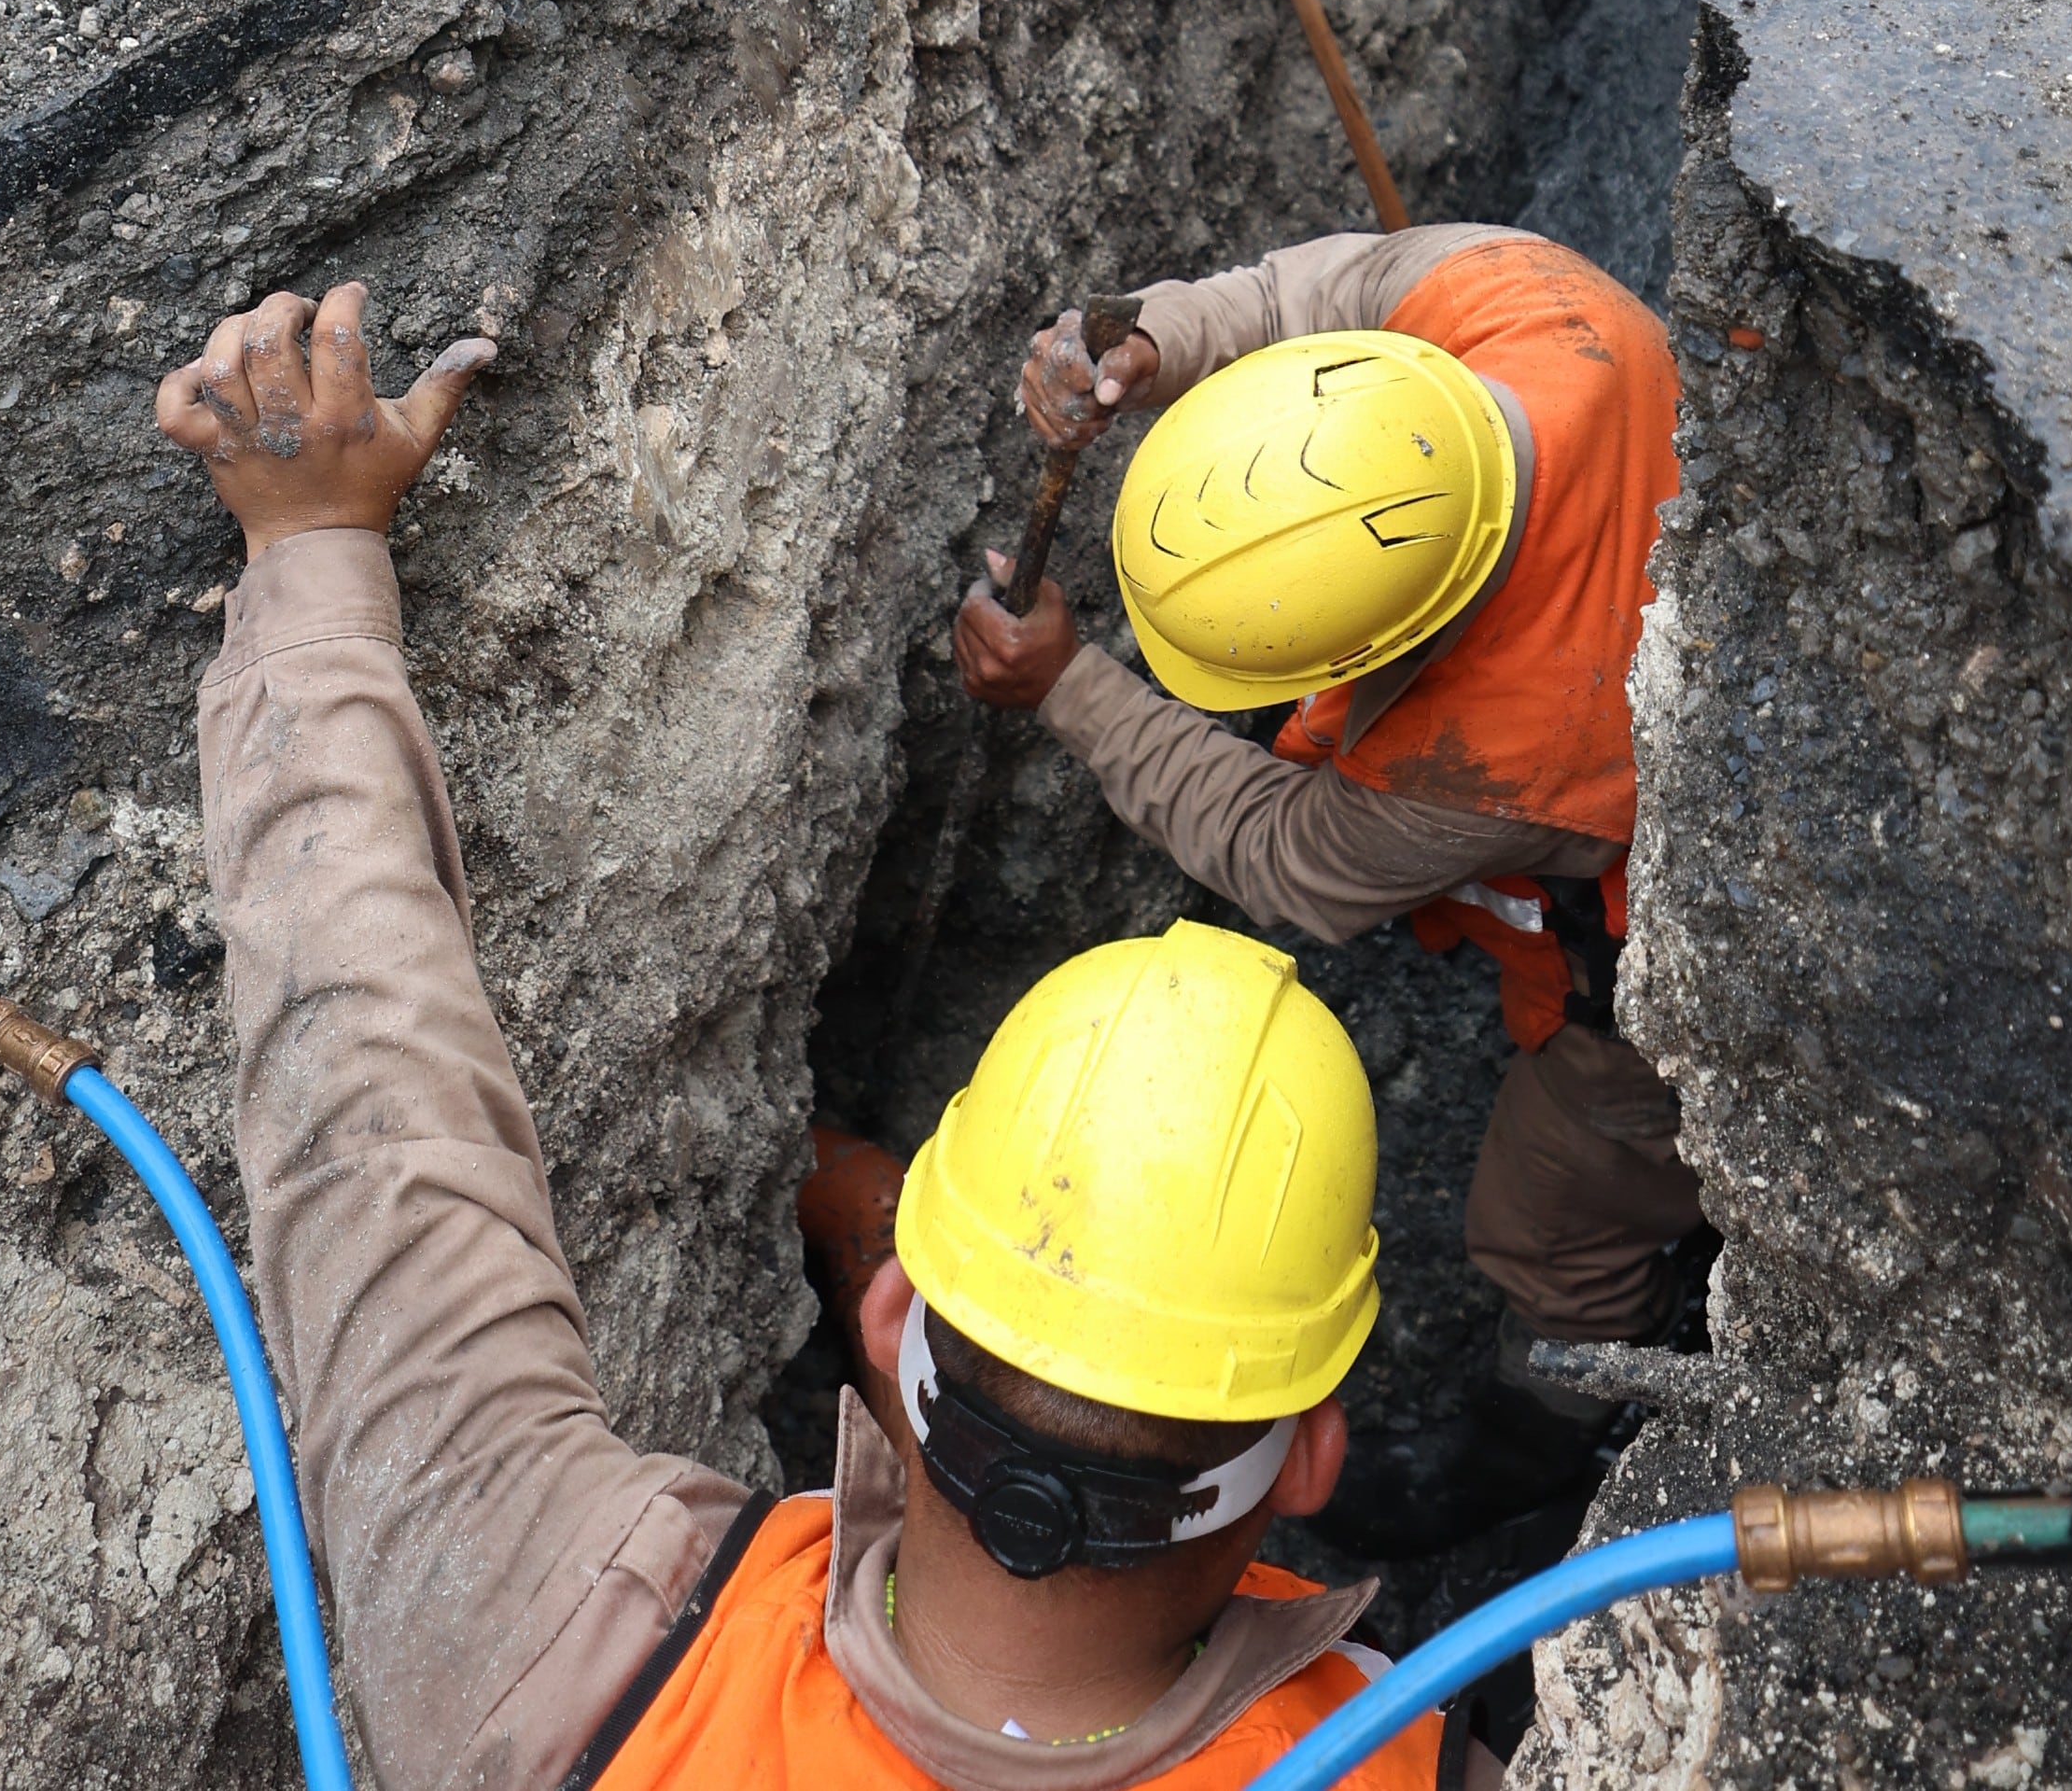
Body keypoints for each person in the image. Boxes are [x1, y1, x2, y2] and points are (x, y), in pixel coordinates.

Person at [154, 286, 1486, 1790]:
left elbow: (370, 1117)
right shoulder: (1408, 1761)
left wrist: (312, 553)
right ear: (1312, 1453)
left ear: (890, 1320)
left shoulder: (560, 1637)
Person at [951, 227, 1698, 1556]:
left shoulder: (1495, 757)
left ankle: (1544, 1430)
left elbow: (1287, 846)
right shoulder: (1530, 298)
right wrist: (1160, 336)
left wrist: (1067, 685)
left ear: (1407, 636)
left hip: (1668, 952)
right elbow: (1328, 288)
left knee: (1552, 1208)